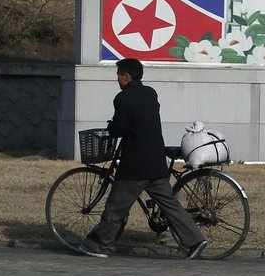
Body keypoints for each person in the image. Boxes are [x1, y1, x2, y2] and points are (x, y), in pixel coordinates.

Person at [78, 58, 208, 259]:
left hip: (135, 165)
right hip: (156, 161)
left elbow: (120, 128)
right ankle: (196, 241)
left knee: (115, 206)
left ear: (126, 76)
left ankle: (100, 246)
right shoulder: (150, 93)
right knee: (170, 205)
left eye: (119, 75)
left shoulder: (123, 97)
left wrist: (111, 127)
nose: (117, 79)